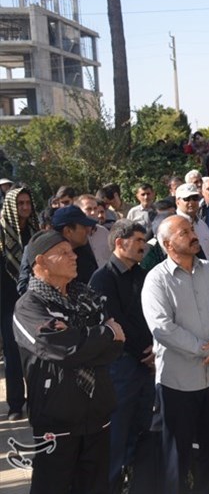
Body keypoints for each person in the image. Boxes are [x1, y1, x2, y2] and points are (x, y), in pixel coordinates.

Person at [14, 230, 124, 493]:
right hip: (57, 417)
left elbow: (116, 346)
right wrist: (102, 334)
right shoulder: (29, 306)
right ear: (41, 261)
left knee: (96, 486)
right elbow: (61, 348)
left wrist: (82, 338)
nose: (73, 256)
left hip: (97, 411)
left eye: (72, 251)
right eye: (63, 253)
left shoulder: (87, 297)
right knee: (52, 486)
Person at [141, 215, 209, 493]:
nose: (193, 235)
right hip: (178, 384)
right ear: (168, 244)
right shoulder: (156, 280)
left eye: (192, 229)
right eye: (184, 232)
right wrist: (206, 350)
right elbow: (162, 328)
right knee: (177, 458)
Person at [89, 219, 154, 492]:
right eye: (138, 241)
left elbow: (152, 314)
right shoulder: (102, 278)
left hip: (147, 363)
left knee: (142, 426)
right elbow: (115, 322)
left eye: (144, 241)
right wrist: (144, 351)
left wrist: (155, 347)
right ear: (119, 242)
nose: (143, 247)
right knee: (118, 430)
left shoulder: (144, 275)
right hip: (122, 365)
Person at [0, 187, 39, 420]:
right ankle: (16, 404)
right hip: (6, 301)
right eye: (20, 204)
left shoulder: (34, 232)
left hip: (32, 299)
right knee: (13, 353)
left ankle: (36, 401)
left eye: (27, 203)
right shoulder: (2, 233)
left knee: (34, 351)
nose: (25, 208)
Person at [174, 183, 209, 264]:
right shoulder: (173, 226)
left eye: (195, 198)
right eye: (187, 199)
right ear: (177, 202)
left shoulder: (202, 225)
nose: (192, 202)